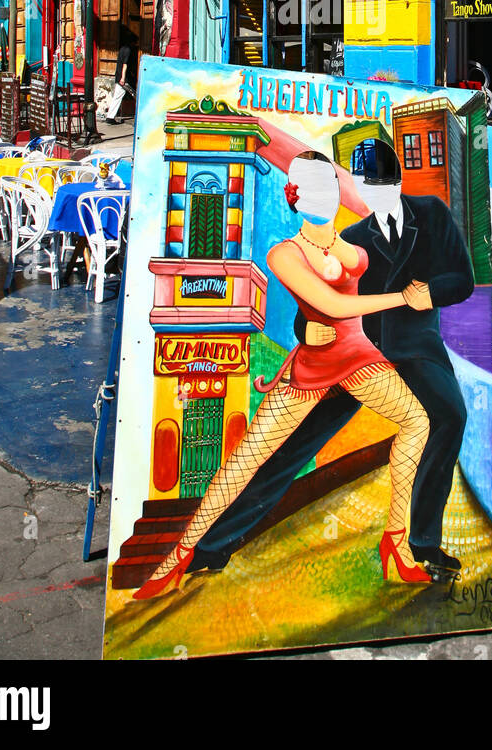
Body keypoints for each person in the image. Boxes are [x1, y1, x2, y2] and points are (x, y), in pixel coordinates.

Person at [133, 151, 433, 600]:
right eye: (315, 188)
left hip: (359, 357)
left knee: (418, 420)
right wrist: (400, 301)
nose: (327, 195)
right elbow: (330, 306)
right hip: (315, 365)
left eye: (329, 185)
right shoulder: (284, 254)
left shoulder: (354, 248)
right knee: (246, 457)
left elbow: (354, 294)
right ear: (298, 197)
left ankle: (396, 542)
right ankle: (181, 553)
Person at [183, 137, 475, 577]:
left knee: (449, 416)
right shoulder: (352, 239)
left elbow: (463, 279)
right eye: (368, 188)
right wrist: (306, 330)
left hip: (415, 348)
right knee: (294, 443)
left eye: (384, 185)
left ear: (397, 182)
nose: (377, 195)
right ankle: (213, 546)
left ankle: (423, 544)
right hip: (356, 355)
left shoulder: (432, 214)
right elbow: (317, 303)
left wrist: (430, 293)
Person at [105, 31, 137, 124]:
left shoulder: (122, 49)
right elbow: (125, 65)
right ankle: (110, 117)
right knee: (134, 95)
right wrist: (123, 78)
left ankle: (110, 116)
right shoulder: (128, 50)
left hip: (119, 76)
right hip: (124, 79)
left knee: (117, 97)